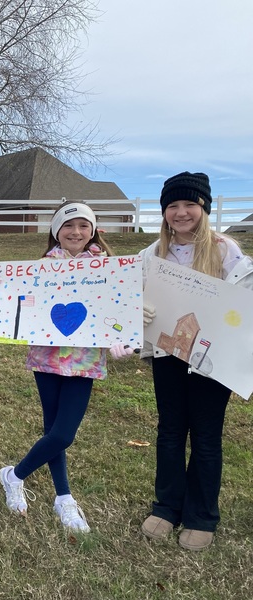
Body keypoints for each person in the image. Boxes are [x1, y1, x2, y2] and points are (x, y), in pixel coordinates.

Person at [134, 172, 253, 551]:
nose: (181, 212)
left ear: (204, 208)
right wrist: (136, 310)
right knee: (170, 431)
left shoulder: (225, 251)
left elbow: (244, 302)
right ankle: (167, 507)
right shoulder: (152, 254)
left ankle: (202, 515)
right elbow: (126, 295)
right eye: (173, 205)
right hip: (167, 354)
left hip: (211, 360)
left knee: (206, 435)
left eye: (190, 204)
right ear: (163, 211)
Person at [0, 201, 128, 533]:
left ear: (93, 230)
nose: (76, 232)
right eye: (68, 225)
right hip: (47, 358)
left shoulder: (108, 267)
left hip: (85, 360)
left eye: (83, 225)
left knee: (63, 434)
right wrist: (8, 290)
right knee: (53, 429)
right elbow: (24, 304)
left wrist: (123, 333)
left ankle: (14, 475)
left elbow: (119, 306)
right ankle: (63, 497)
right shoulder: (43, 266)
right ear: (56, 231)